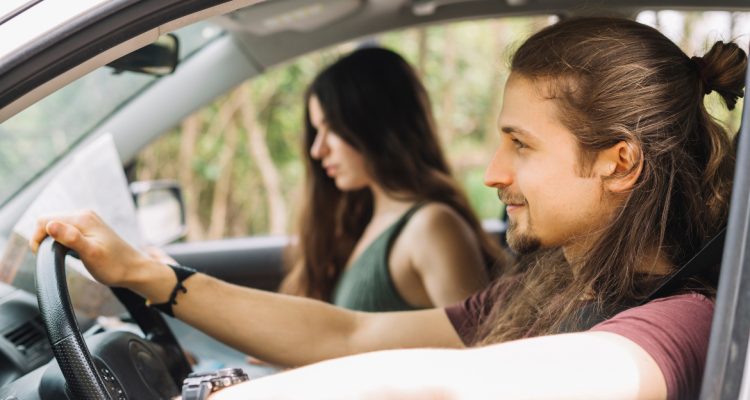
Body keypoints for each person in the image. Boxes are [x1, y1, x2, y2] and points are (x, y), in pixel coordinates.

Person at [30, 17, 746, 399]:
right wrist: (157, 279)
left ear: (618, 162)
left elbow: (453, 386)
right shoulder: (558, 284)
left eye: (520, 146)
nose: (493, 174)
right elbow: (349, 336)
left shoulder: (684, 325)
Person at [278, 47, 504, 311]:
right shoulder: (363, 222)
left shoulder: (431, 227)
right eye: (317, 131)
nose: (318, 150)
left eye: (333, 128)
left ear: (375, 125)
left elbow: (480, 347)